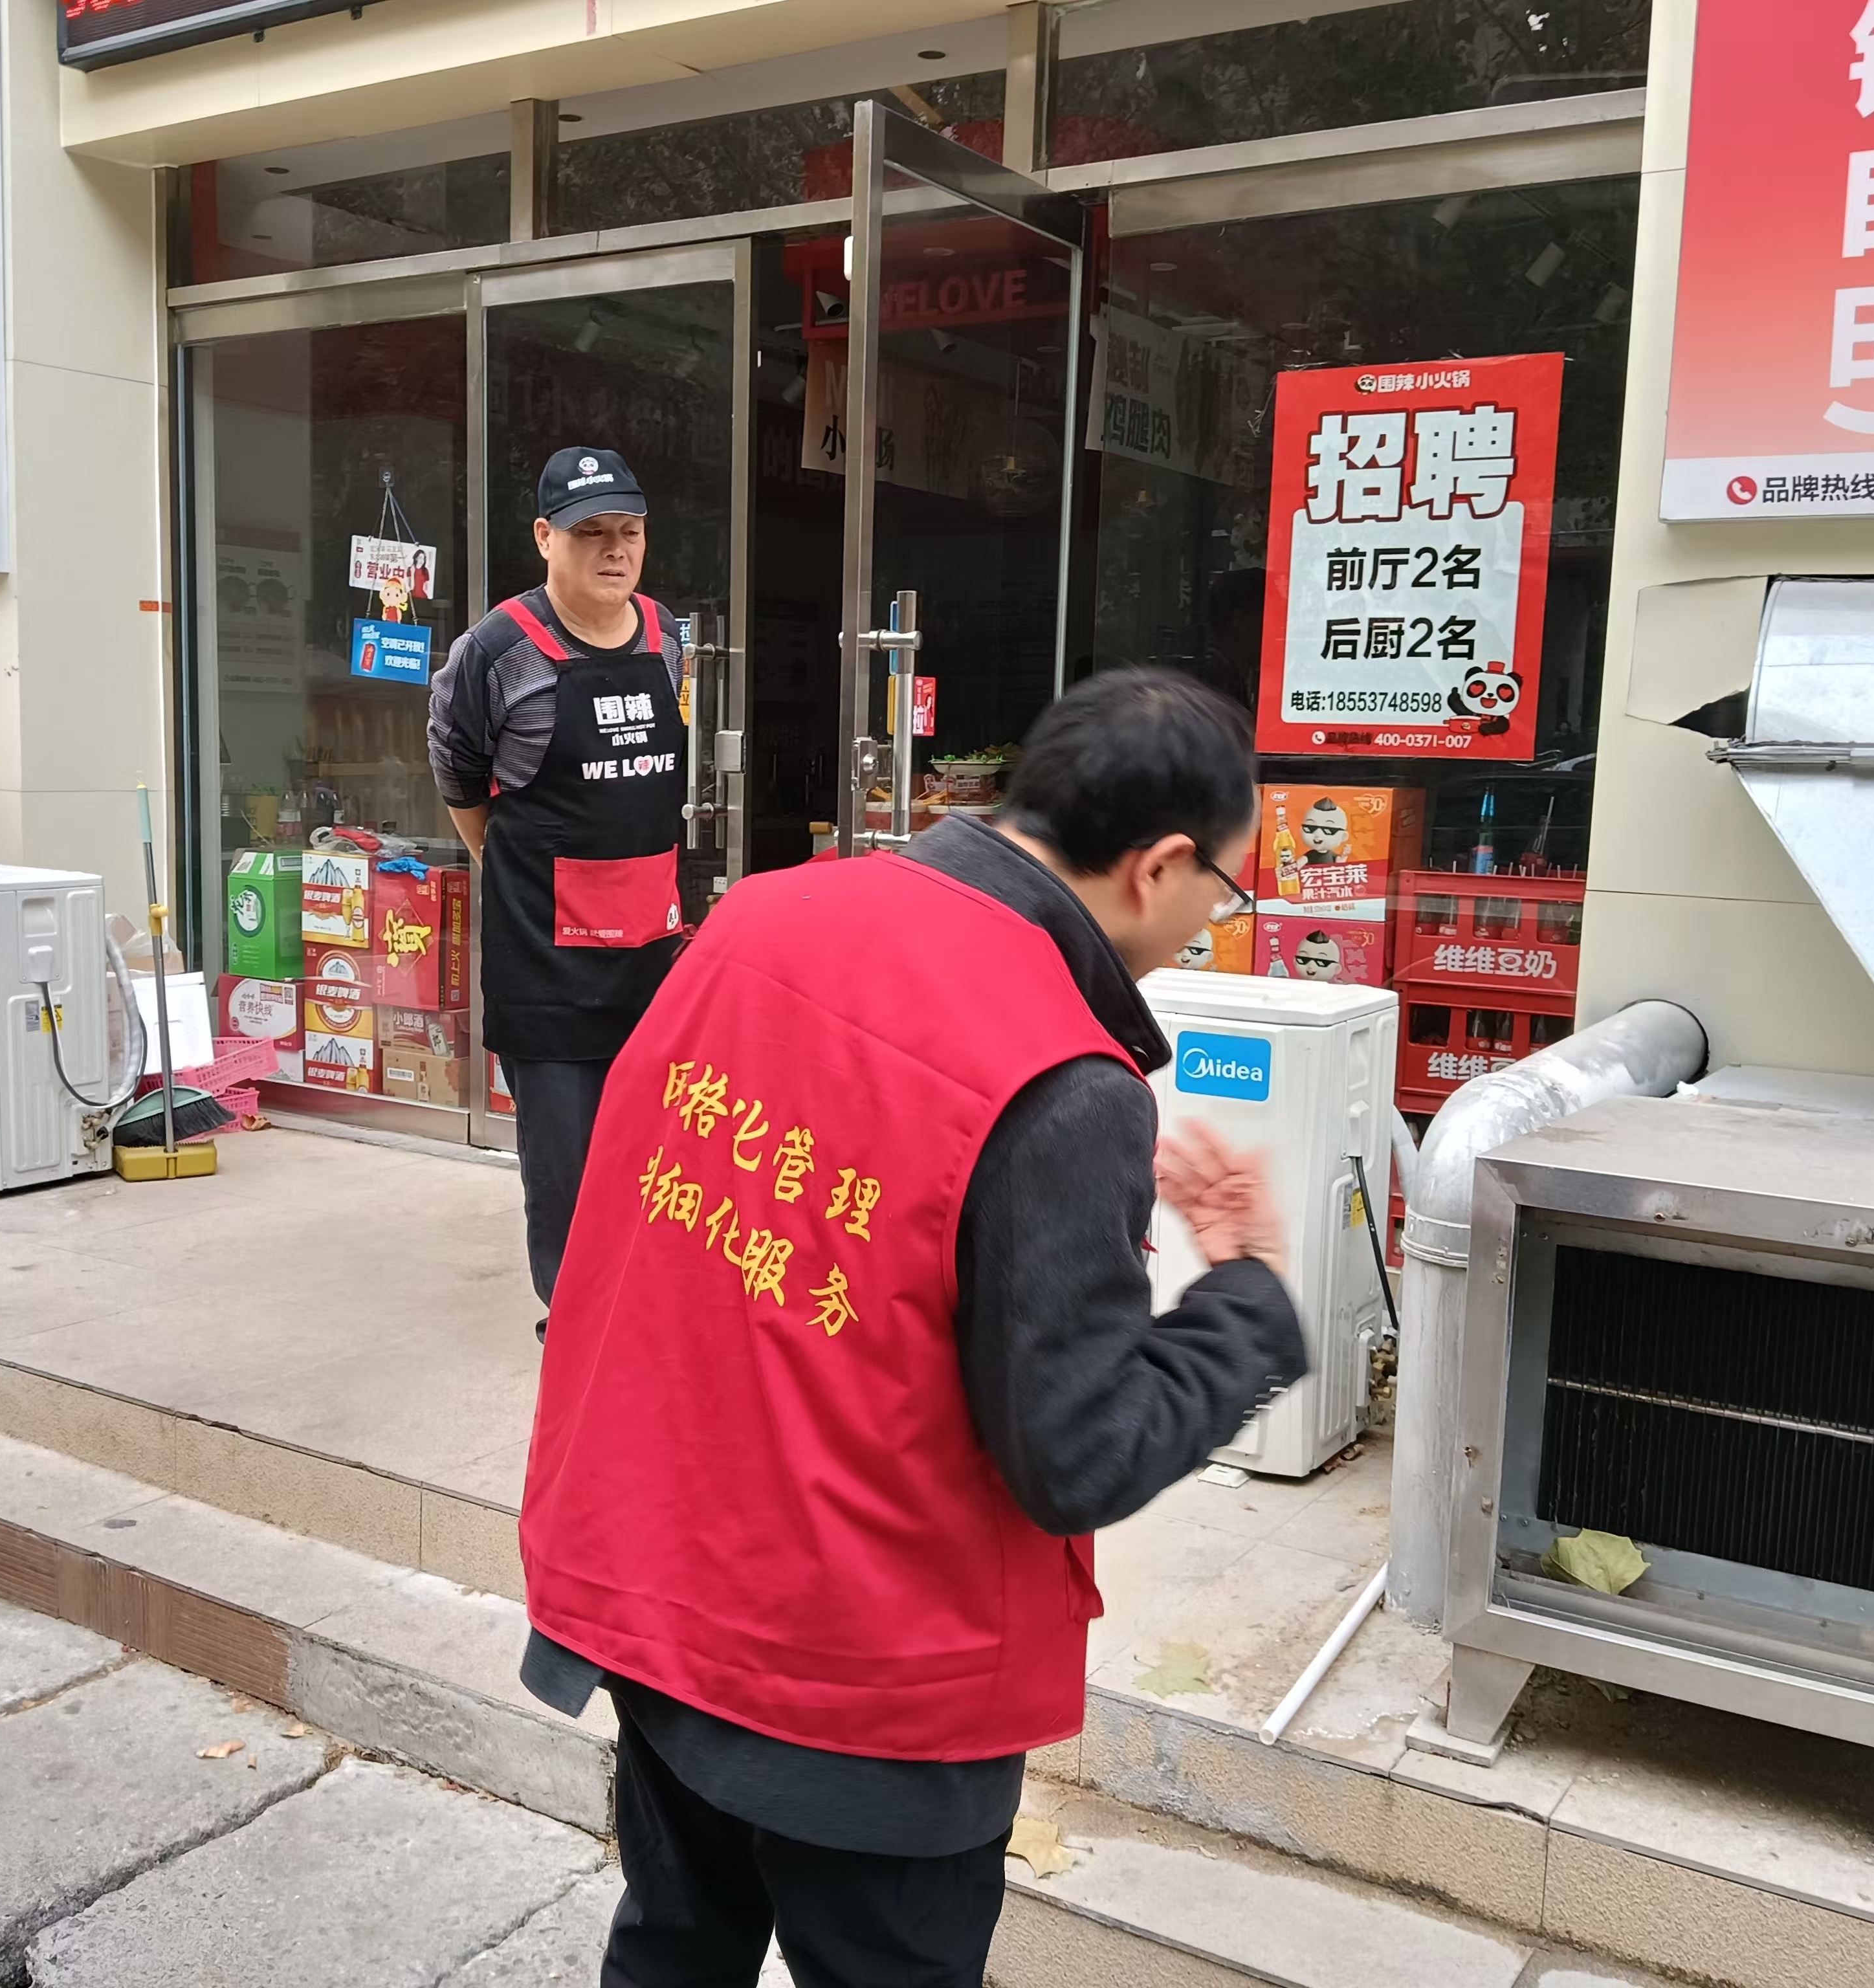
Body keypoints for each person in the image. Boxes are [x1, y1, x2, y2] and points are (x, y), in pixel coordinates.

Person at [519, 668, 1308, 1987]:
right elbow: (1080, 1453)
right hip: (865, 1684)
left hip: (661, 1594)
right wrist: (1245, 1298)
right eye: (1224, 892)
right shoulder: (1061, 1076)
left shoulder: (764, 913)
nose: (1206, 922)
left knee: (672, 1947)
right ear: (1159, 867)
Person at [428, 446, 686, 1332]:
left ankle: (640, 1310)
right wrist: (508, 866)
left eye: (630, 532)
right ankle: (577, 1326)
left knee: (649, 1151)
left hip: (651, 956)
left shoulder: (665, 636)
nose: (615, 551)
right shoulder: (498, 651)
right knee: (566, 1164)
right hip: (547, 960)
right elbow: (459, 773)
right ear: (545, 538)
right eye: (590, 533)